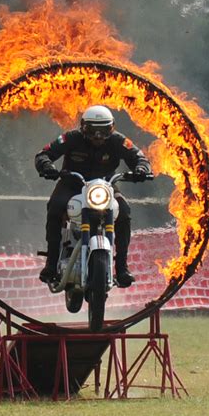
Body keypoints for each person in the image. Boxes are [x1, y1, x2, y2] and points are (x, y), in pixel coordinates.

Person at [35, 105, 152, 287]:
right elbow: (44, 154)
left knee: (125, 212)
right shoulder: (70, 138)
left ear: (111, 128)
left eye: (103, 130)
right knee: (55, 207)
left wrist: (141, 169)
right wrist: (47, 167)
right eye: (92, 130)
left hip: (106, 186)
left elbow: (138, 156)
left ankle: (121, 268)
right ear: (83, 127)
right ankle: (50, 263)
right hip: (72, 184)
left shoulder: (118, 141)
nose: (98, 136)